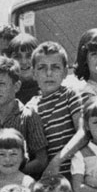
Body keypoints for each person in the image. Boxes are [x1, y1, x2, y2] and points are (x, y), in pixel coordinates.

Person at [0, 56, 48, 177]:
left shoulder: (29, 116)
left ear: (16, 86)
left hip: (23, 185)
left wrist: (12, 174)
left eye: (1, 84)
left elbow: (41, 160)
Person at [28, 42, 84, 178]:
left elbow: (83, 132)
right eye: (42, 68)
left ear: (65, 72)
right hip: (48, 180)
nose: (49, 73)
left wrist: (57, 160)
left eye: (55, 67)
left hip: (75, 175)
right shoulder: (30, 107)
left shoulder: (70, 95)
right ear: (33, 73)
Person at [0, 128, 35, 192]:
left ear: (22, 155)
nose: (7, 159)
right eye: (2, 154)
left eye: (13, 154)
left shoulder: (29, 183)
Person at [7, 33, 41, 103]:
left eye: (29, 56)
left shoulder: (49, 88)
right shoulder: (6, 94)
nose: (24, 61)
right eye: (17, 57)